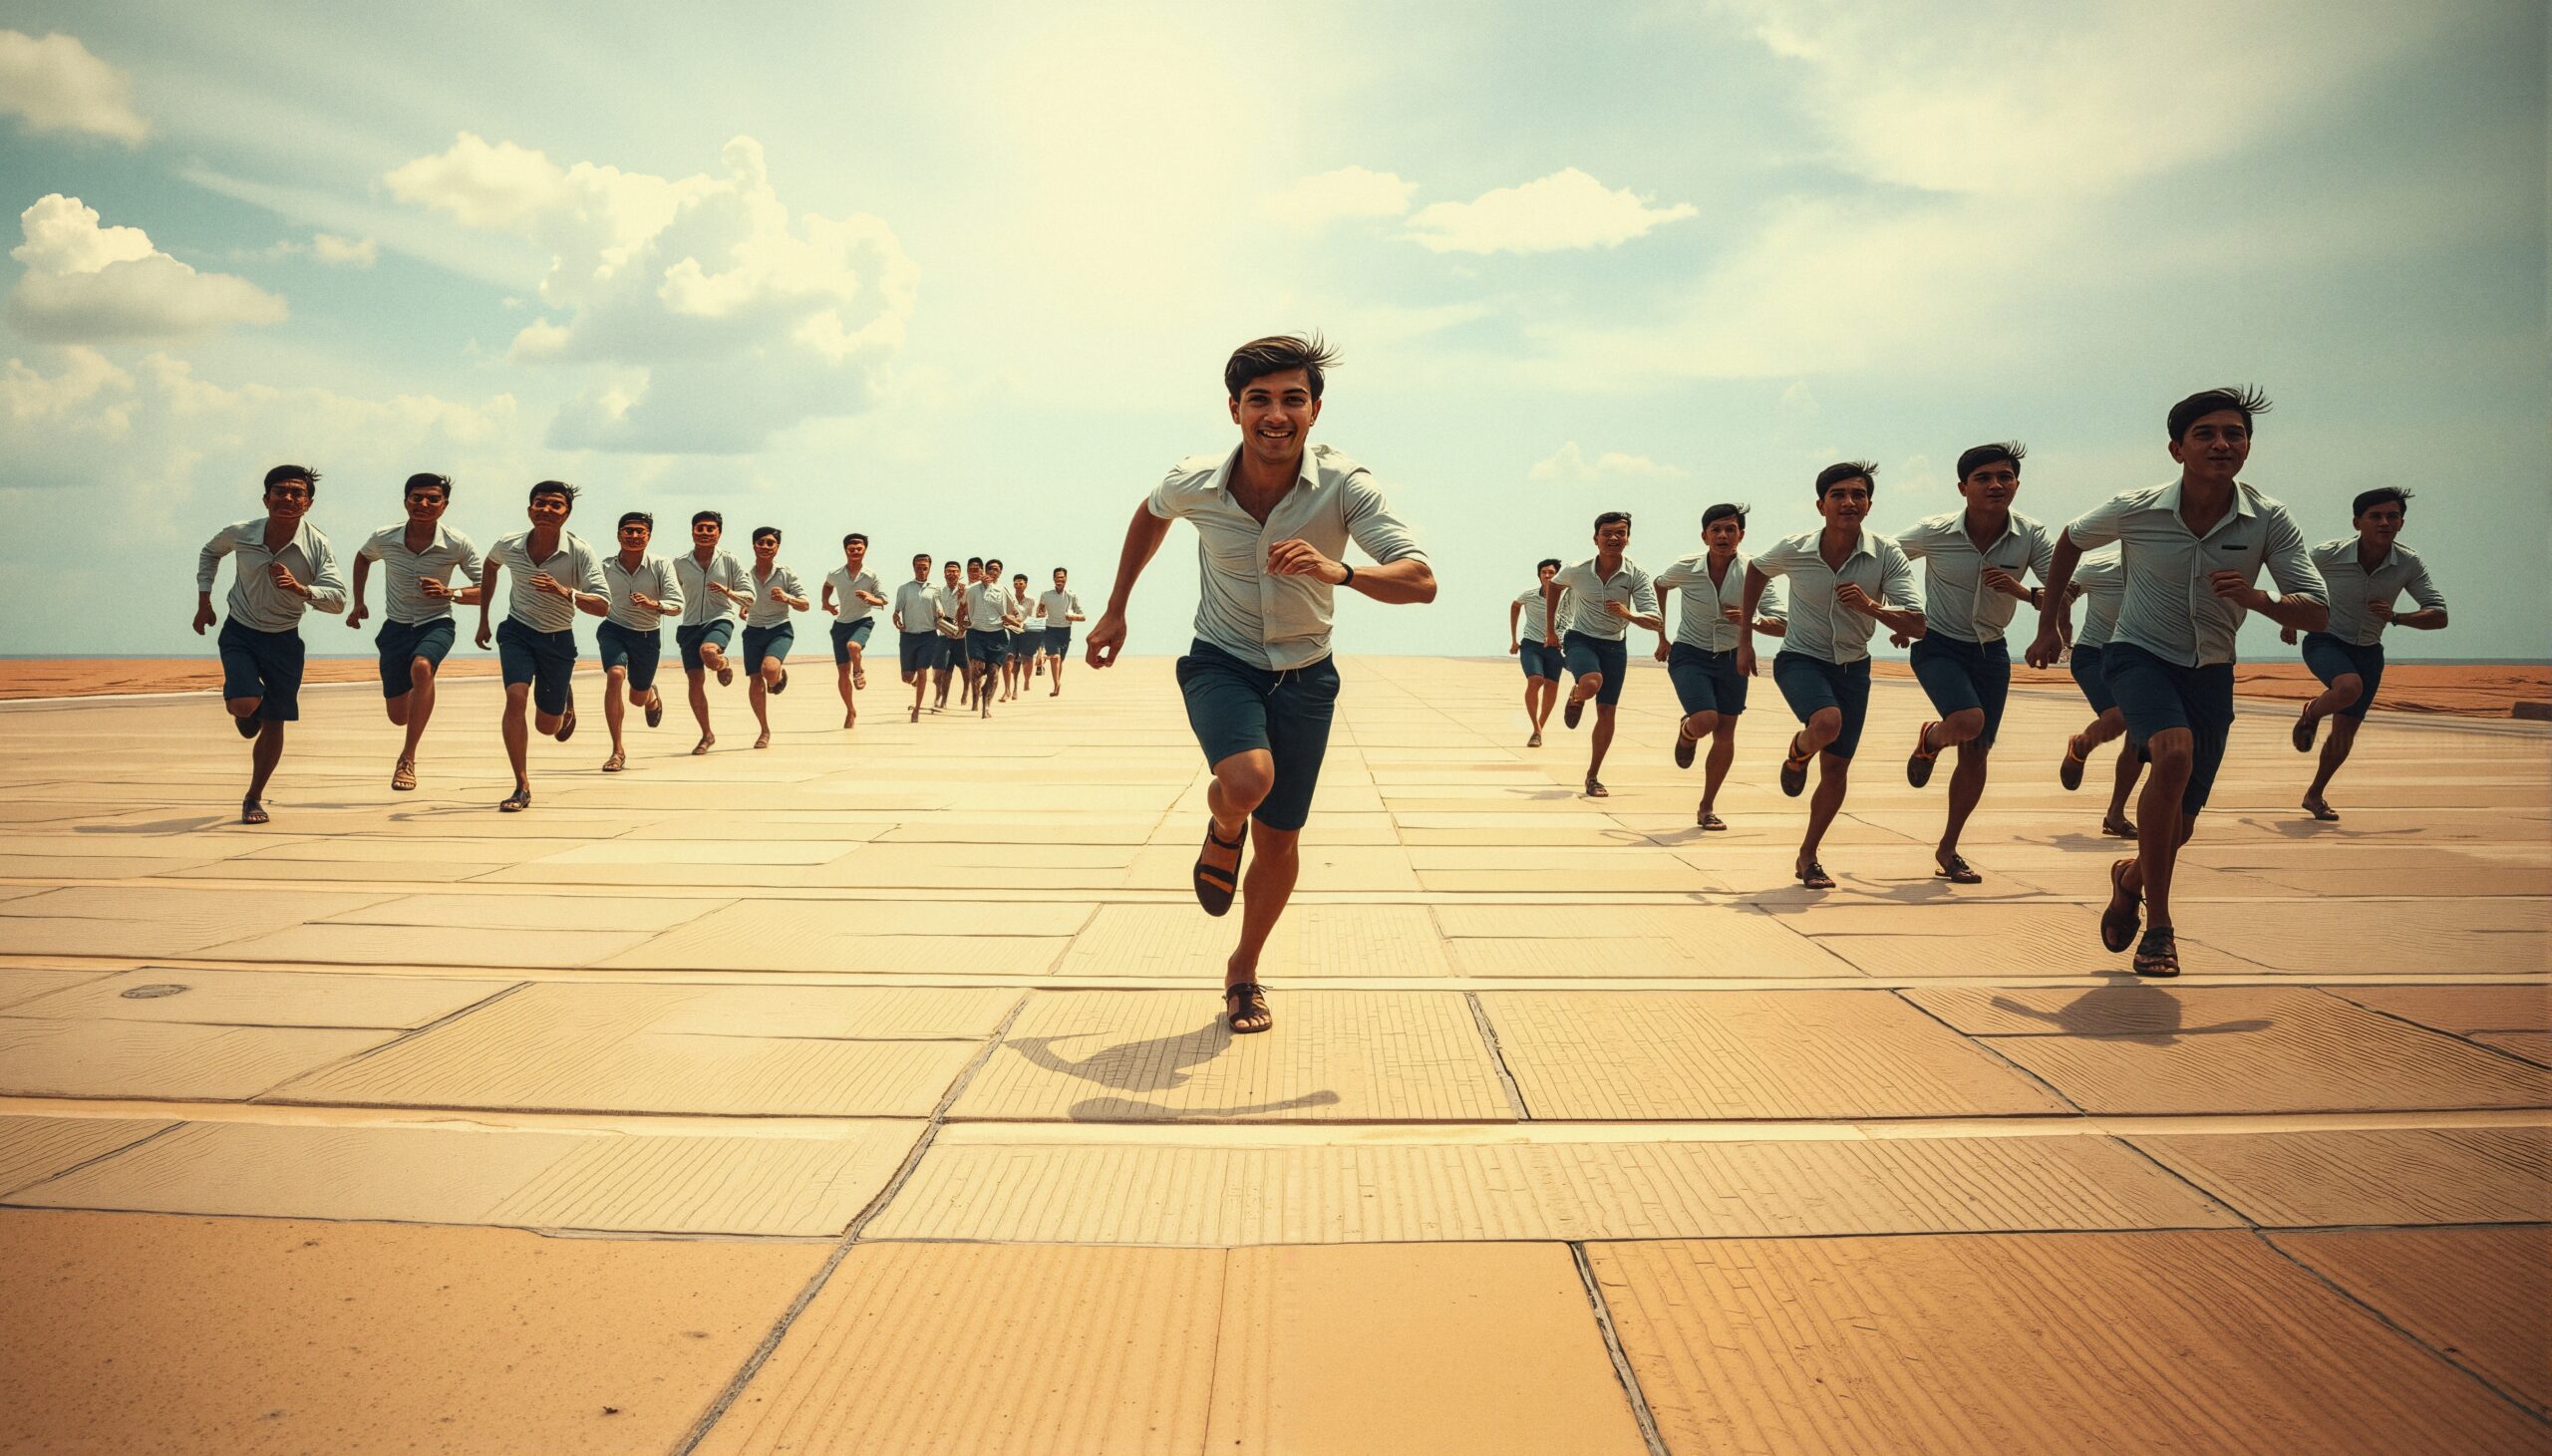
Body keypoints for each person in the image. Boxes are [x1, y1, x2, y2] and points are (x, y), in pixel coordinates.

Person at [1084, 334, 1434, 1036]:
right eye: (1260, 400)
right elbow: (1151, 513)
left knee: (1279, 841)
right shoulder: (1195, 481)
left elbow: (1420, 579)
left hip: (1307, 676)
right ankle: (1224, 823)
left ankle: (1242, 971)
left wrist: (1340, 571)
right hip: (1222, 660)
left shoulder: (1346, 486)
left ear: (1315, 410)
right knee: (1247, 782)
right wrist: (1117, 606)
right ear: (1235, 409)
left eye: (1292, 400)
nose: (1276, 415)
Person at [2027, 387, 2327, 976]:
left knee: (2181, 824)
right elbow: (2069, 540)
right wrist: (2047, 628)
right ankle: (2159, 929)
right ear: (2177, 449)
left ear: (2247, 447)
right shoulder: (2135, 508)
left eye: (2234, 434)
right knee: (2173, 754)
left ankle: (2129, 878)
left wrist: (2260, 599)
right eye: (2205, 434)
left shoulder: (2269, 518)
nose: (2221, 444)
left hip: (2211, 671)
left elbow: (2316, 610)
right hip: (2137, 655)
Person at [1742, 461, 1925, 889]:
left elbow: (1917, 624)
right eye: (1838, 494)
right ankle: (1799, 750)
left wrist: (1872, 607)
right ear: (1820, 505)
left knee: (1837, 770)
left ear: (1869, 505)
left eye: (1858, 495)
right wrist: (1745, 638)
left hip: (1853, 667)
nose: (1849, 502)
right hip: (1800, 659)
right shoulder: (1795, 548)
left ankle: (1808, 855)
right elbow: (1757, 570)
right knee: (1827, 723)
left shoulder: (1886, 554)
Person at [1895, 444, 2057, 884]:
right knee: (1968, 721)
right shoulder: (1934, 532)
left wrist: (2023, 593)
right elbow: (1883, 561)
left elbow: (2060, 588)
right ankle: (1932, 736)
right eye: (1983, 478)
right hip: (1938, 644)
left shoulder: (2031, 535)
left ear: (2017, 484)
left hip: (1992, 651)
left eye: (2005, 477)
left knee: (1976, 752)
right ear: (1962, 487)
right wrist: (1900, 612)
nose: (1995, 485)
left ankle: (1948, 848)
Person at [194, 464, 348, 824]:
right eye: (280, 491)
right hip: (241, 631)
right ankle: (248, 711)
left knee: (275, 720)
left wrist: (301, 589)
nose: (288, 498)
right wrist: (204, 600)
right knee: (244, 704)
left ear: (308, 503)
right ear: (266, 499)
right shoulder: (242, 533)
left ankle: (253, 798)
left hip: (284, 640)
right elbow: (210, 552)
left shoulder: (317, 545)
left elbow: (339, 600)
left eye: (297, 493)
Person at [2288, 487, 2449, 820]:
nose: (2384, 522)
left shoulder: (2408, 563)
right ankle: (2312, 713)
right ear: (2357, 522)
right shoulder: (2327, 555)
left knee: (2344, 732)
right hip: (2325, 640)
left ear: (2401, 523)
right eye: (2375, 516)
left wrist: (2396, 617)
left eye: (2392, 516)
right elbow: (2294, 579)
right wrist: (2289, 618)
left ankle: (2314, 795)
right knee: (2349, 687)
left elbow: (2438, 614)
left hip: (2369, 652)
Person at [477, 480, 608, 811]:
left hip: (557, 639)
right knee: (515, 697)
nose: (546, 509)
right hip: (517, 632)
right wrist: (484, 619)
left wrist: (563, 591)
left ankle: (563, 700)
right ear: (529, 510)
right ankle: (521, 785)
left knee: (548, 727)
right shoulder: (510, 544)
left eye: (555, 505)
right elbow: (490, 565)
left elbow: (603, 605)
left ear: (567, 514)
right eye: (539, 503)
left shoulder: (579, 552)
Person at [1652, 505, 1785, 829]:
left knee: (1725, 733)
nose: (1723, 536)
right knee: (1705, 719)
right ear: (1704, 536)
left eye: (1730, 529)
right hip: (1689, 653)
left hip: (1731, 657)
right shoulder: (1686, 567)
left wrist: (1750, 621)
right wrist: (1662, 635)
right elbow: (1660, 584)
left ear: (1741, 534)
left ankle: (1707, 807)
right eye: (1716, 530)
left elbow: (1781, 623)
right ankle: (1688, 732)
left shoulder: (1755, 572)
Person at [347, 472, 480, 791]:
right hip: (395, 628)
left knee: (422, 667)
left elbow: (485, 588)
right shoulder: (384, 537)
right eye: (417, 497)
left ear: (444, 505)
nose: (424, 504)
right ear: (405, 501)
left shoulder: (457, 543)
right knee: (398, 716)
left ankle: (407, 758)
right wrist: (359, 601)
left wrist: (449, 593)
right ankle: (418, 698)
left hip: (436, 622)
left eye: (433, 499)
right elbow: (363, 558)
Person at [1545, 512, 1662, 797]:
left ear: (1628, 539)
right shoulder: (1577, 569)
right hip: (1580, 638)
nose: (1613, 538)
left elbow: (1655, 620)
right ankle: (1577, 694)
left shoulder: (1636, 574)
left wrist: (1628, 614)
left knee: (1607, 711)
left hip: (1614, 646)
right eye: (1607, 533)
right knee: (1591, 682)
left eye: (1620, 533)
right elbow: (1555, 586)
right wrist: (1550, 631)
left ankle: (1593, 776)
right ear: (1595, 539)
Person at [2055, 544, 2143, 838]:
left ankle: (2115, 815)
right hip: (2093, 655)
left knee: (2138, 735)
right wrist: (2062, 632)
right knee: (2118, 718)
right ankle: (2081, 745)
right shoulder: (2097, 566)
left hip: (2139, 659)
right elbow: (2062, 596)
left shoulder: (2165, 566)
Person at [596, 511, 683, 772]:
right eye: (628, 531)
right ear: (618, 534)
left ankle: (650, 696)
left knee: (637, 697)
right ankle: (617, 751)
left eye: (639, 532)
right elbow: (586, 591)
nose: (633, 536)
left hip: (646, 635)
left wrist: (653, 604)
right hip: (614, 629)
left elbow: (677, 604)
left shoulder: (660, 565)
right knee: (615, 675)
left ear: (648, 536)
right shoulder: (605, 567)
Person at [674, 511, 752, 755]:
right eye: (700, 528)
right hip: (689, 626)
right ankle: (706, 734)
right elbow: (668, 592)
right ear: (692, 531)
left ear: (719, 533)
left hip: (720, 618)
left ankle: (722, 663)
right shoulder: (679, 563)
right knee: (695, 681)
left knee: (708, 651)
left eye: (710, 528)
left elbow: (749, 595)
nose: (705, 533)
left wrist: (729, 592)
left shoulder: (729, 561)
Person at [741, 527, 807, 748]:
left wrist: (787, 597)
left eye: (770, 543)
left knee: (768, 670)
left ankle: (776, 677)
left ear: (777, 547)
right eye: (761, 542)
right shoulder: (744, 575)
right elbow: (740, 596)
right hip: (753, 631)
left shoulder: (786, 574)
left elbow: (805, 604)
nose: (765, 547)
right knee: (755, 680)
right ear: (754, 545)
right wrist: (743, 606)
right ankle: (764, 730)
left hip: (779, 629)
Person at [822, 532, 888, 730]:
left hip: (863, 621)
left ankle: (858, 671)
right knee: (843, 673)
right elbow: (827, 585)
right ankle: (850, 710)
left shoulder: (870, 575)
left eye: (859, 548)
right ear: (846, 550)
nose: (855, 552)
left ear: (865, 550)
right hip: (840, 625)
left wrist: (870, 598)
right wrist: (826, 603)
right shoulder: (835, 573)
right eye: (851, 549)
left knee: (853, 646)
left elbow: (883, 599)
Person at [1509, 559, 1568, 748]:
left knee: (1551, 686)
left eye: (1551, 572)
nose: (1547, 575)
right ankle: (1536, 728)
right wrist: (1514, 639)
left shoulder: (1567, 597)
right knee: (1535, 680)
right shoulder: (1530, 595)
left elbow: (1575, 616)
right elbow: (1515, 606)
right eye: (1544, 572)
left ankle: (1538, 730)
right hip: (1531, 645)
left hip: (1555, 647)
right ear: (1539, 575)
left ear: (1558, 575)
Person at [892, 552, 950, 723]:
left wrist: (940, 613)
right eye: (918, 568)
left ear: (929, 569)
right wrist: (896, 620)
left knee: (922, 670)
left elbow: (939, 608)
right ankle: (915, 682)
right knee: (907, 677)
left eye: (925, 568)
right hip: (908, 637)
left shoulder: (935, 589)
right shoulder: (904, 588)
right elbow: (896, 612)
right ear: (914, 568)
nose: (921, 571)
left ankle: (917, 709)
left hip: (928, 636)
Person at [963, 555, 1021, 718]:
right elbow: (961, 608)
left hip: (997, 635)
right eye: (990, 569)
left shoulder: (1002, 590)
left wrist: (1013, 619)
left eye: (996, 569)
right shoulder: (971, 589)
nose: (993, 572)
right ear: (984, 571)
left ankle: (987, 705)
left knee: (994, 672)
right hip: (975, 633)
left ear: (1000, 573)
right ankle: (976, 699)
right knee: (978, 669)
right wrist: (962, 623)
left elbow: (1017, 612)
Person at [1039, 568, 1085, 697]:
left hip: (1065, 631)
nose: (1059, 580)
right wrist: (1040, 613)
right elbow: (1040, 611)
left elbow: (1083, 616)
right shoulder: (1045, 594)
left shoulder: (1072, 595)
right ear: (1053, 579)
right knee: (1055, 657)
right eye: (1057, 577)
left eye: (1062, 577)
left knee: (1060, 660)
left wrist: (1072, 617)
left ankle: (1055, 679)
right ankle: (1056, 684)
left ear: (1066, 579)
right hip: (1050, 629)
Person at [932, 557, 967, 711]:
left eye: (955, 571)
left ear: (959, 574)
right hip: (944, 635)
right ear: (944, 574)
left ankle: (966, 689)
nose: (951, 574)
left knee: (965, 668)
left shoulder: (966, 590)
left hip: (962, 636)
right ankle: (941, 698)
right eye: (948, 571)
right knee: (941, 670)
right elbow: (935, 609)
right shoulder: (938, 591)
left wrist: (963, 596)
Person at [1004, 571, 1038, 701]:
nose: (1018, 586)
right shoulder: (1008, 598)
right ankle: (1008, 690)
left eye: (1021, 583)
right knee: (1009, 658)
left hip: (1025, 632)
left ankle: (1024, 682)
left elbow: (1033, 617)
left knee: (1026, 659)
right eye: (1016, 583)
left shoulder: (1031, 600)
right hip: (1010, 630)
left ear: (1025, 585)